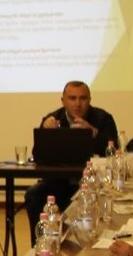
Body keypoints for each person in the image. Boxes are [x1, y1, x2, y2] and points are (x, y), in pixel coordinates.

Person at [25, 80, 118, 217]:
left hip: (94, 183)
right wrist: (46, 132)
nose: (78, 104)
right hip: (59, 182)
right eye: (72, 98)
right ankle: (42, 231)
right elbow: (38, 156)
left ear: (89, 100)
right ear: (63, 101)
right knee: (32, 195)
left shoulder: (103, 118)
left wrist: (93, 133)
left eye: (83, 98)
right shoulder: (52, 119)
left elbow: (114, 153)